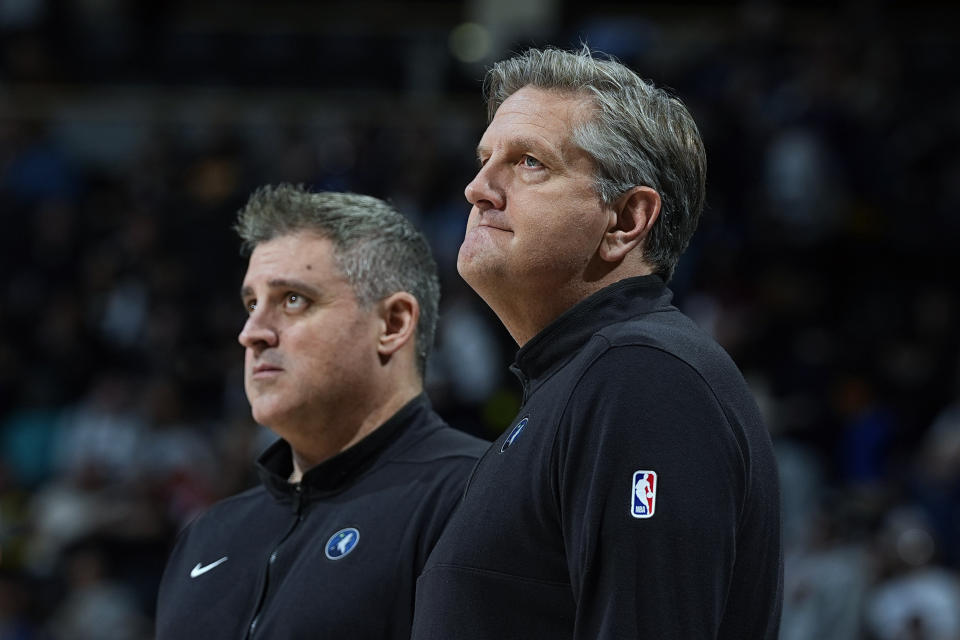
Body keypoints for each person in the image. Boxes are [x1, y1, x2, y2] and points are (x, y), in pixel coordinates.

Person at [412, 47, 783, 639]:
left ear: (626, 219)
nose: (477, 188)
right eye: (484, 161)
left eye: (529, 162)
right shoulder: (581, 381)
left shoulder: (642, 376)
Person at [156, 185, 487, 639]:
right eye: (252, 304)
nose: (251, 333)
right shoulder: (209, 534)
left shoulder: (478, 497)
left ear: (392, 324)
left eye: (293, 299)